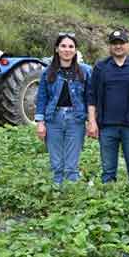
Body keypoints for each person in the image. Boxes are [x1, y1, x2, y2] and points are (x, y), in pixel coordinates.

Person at [86, 29, 129, 183]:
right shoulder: (100, 67)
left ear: (128, 45)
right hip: (106, 126)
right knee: (108, 171)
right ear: (110, 46)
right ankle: (108, 199)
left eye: (121, 43)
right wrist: (92, 121)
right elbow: (92, 96)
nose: (118, 46)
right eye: (114, 43)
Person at [34, 33, 91, 184]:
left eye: (71, 46)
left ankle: (72, 195)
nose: (67, 50)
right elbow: (42, 98)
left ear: (76, 50)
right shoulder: (48, 72)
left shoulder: (85, 71)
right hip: (53, 119)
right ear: (57, 49)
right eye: (63, 46)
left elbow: (90, 97)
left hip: (76, 119)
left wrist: (91, 120)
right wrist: (40, 123)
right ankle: (57, 194)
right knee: (56, 164)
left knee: (71, 165)